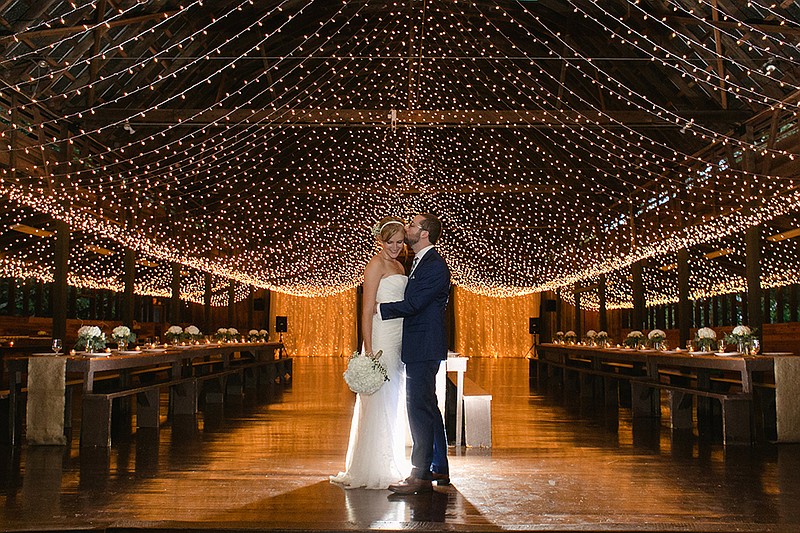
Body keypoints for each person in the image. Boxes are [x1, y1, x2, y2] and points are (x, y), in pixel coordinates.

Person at [330, 216, 410, 489]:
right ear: (381, 240)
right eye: (391, 242)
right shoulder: (374, 265)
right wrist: (368, 348)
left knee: (394, 397)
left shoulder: (399, 265)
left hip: (398, 336)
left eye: (400, 242)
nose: (396, 247)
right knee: (379, 398)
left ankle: (392, 459)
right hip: (381, 336)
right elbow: (366, 309)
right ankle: (373, 466)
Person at [379, 213, 451, 495]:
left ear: (424, 233)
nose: (407, 228)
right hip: (422, 345)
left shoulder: (434, 265)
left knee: (419, 409)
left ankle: (420, 475)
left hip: (424, 346)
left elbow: (414, 304)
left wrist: (380, 310)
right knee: (428, 408)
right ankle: (439, 467)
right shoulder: (421, 261)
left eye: (412, 225)